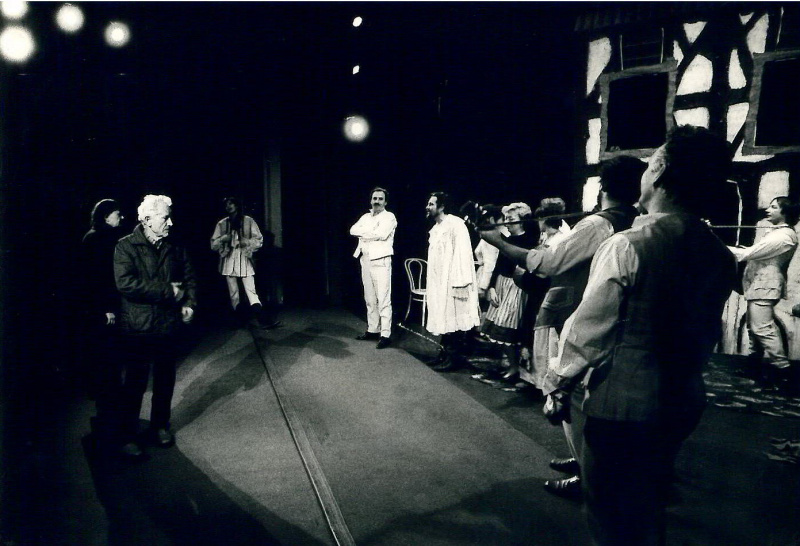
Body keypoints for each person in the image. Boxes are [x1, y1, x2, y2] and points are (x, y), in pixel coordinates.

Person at [544, 126, 736, 545]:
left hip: (625, 402)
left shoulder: (629, 245)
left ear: (661, 168)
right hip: (682, 399)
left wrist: (557, 382)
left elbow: (588, 330)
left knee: (610, 514)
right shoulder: (718, 253)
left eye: (650, 164)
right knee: (649, 503)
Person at [480, 156, 642, 499]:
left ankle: (587, 473)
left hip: (572, 315)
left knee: (566, 393)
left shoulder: (597, 224)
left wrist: (498, 242)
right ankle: (584, 458)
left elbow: (547, 263)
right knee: (585, 396)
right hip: (607, 321)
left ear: (603, 188)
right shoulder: (636, 222)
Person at [114, 194, 197, 456]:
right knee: (135, 384)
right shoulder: (125, 247)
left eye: (169, 217)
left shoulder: (175, 245)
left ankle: (159, 426)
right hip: (138, 327)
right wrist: (168, 291)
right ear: (147, 220)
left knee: (165, 381)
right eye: (165, 218)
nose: (170, 223)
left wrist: (190, 303)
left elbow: (189, 277)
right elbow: (126, 284)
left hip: (167, 325)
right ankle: (128, 436)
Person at [729, 196, 799, 394]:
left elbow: (747, 254)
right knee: (754, 327)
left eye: (774, 207)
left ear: (785, 212)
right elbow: (751, 252)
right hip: (760, 284)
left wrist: (710, 242)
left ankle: (783, 371)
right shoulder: (776, 233)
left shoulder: (783, 236)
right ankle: (754, 366)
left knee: (762, 328)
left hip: (766, 285)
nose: (768, 210)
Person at [81, 199, 128, 457]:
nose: (120, 218)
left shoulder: (106, 237)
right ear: (106, 216)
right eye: (117, 214)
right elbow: (93, 280)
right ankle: (108, 426)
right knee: (105, 366)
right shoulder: (95, 239)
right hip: (102, 314)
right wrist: (104, 310)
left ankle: (109, 418)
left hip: (109, 311)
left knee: (111, 367)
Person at [479, 203, 537, 382]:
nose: (507, 223)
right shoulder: (506, 240)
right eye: (505, 219)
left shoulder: (529, 241)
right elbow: (498, 265)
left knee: (506, 328)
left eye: (511, 219)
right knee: (497, 328)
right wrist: (492, 287)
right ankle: (511, 365)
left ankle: (515, 367)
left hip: (516, 287)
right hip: (501, 284)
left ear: (522, 221)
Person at [424, 192, 481, 371]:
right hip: (439, 281)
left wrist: (460, 281)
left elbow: (463, 253)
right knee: (443, 316)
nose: (427, 207)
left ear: (441, 207)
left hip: (453, 280)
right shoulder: (436, 228)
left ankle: (453, 359)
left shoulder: (455, 224)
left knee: (452, 318)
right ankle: (443, 354)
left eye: (431, 204)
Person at [211, 197, 278, 328]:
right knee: (234, 294)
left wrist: (246, 242)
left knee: (251, 291)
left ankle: (263, 320)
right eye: (227, 204)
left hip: (244, 259)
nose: (229, 206)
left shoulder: (248, 221)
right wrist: (223, 239)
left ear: (237, 205)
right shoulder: (222, 223)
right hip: (229, 261)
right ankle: (239, 321)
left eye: (231, 203)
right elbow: (213, 244)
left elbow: (259, 240)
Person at [349, 187, 397, 349]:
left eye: (380, 199)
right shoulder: (365, 216)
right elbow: (352, 230)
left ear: (385, 202)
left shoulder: (389, 217)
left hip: (381, 261)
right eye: (374, 198)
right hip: (366, 260)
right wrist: (371, 232)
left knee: (383, 298)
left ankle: (385, 334)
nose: (377, 201)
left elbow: (382, 234)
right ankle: (372, 329)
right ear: (371, 200)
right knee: (369, 298)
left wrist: (364, 232)